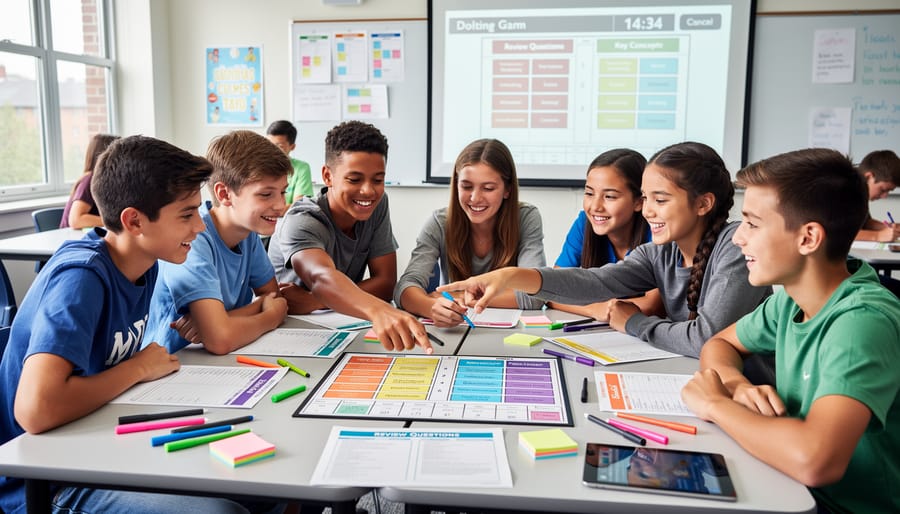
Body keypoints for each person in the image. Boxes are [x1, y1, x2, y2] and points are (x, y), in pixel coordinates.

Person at [0, 136, 281, 513]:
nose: (199, 228)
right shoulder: (81, 279)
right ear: (134, 221)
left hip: (101, 441)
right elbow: (36, 410)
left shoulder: (143, 266)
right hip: (50, 480)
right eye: (186, 215)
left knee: (265, 484)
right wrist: (138, 368)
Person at [681, 148, 900, 513]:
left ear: (808, 238)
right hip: (789, 484)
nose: (737, 238)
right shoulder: (790, 300)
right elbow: (719, 345)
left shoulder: (861, 322)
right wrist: (737, 385)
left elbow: (817, 461)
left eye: (752, 224)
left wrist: (716, 404)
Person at [439, 142, 771, 357]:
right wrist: (511, 276)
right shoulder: (659, 253)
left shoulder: (735, 246)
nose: (648, 211)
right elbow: (593, 282)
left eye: (660, 200)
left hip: (753, 392)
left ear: (703, 204)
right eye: (646, 198)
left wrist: (633, 323)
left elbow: (704, 338)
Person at [269, 120, 432, 354]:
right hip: (291, 337)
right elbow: (322, 278)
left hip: (344, 333)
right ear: (327, 176)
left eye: (378, 180)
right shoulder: (302, 220)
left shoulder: (377, 205)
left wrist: (316, 300)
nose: (368, 191)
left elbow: (385, 283)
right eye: (354, 180)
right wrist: (379, 310)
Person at [146, 131, 289, 354]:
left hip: (222, 355)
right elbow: (220, 340)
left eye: (283, 192)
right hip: (178, 360)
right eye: (266, 194)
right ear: (224, 194)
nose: (281, 205)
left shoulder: (247, 233)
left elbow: (272, 296)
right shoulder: (193, 239)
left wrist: (220, 322)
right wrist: (271, 316)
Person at [394, 139, 545, 326]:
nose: (475, 198)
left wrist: (460, 296)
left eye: (488, 188)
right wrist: (430, 307)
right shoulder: (440, 223)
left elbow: (536, 295)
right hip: (456, 329)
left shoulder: (526, 218)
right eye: (466, 187)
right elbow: (404, 288)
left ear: (507, 189)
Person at [550, 148, 664, 320]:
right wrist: (594, 310)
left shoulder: (657, 232)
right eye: (589, 193)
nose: (595, 206)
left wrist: (597, 308)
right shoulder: (584, 223)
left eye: (609, 196)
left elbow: (651, 306)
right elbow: (553, 292)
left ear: (639, 202)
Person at [60, 133, 120, 229]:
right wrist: (115, 222)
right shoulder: (89, 180)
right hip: (73, 236)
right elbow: (76, 220)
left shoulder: (107, 180)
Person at [854, 149, 900, 241]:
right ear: (868, 177)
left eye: (889, 191)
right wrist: (878, 236)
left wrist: (887, 227)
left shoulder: (861, 193)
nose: (884, 196)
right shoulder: (840, 191)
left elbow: (865, 223)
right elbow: (836, 233)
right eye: (883, 190)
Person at [266, 120, 314, 206]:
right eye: (268, 144)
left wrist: (272, 210)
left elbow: (299, 205)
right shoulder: (257, 167)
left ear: (292, 147)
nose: (271, 150)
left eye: (279, 146)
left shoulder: (301, 168)